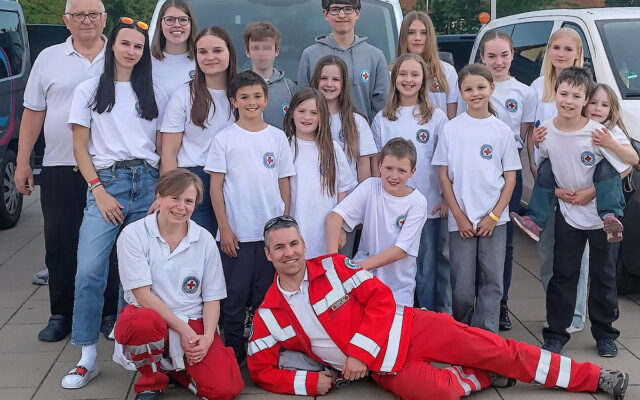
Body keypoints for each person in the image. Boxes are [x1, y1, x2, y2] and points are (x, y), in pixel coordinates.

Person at [246, 215, 629, 400]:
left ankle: (594, 378)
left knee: (501, 349)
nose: (289, 253)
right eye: (279, 247)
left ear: (303, 244)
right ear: (267, 254)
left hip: (411, 327)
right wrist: (310, 383)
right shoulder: (268, 314)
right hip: (385, 368)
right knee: (440, 394)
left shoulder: (332, 266)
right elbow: (260, 370)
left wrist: (360, 351)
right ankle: (483, 376)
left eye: (293, 244)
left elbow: (381, 300)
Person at [62, 17, 168, 389]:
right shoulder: (89, 90)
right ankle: (87, 355)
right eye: (125, 44)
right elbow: (79, 146)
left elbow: (162, 148)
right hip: (107, 183)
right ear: (113, 47)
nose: (131, 51)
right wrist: (98, 190)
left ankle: (128, 347)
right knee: (90, 269)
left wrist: (161, 193)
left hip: (148, 183)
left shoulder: (154, 92)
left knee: (136, 275)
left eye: (138, 46)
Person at [14, 0, 119, 343]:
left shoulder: (121, 55)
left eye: (93, 14)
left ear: (105, 19)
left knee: (111, 244)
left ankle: (108, 314)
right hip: (60, 165)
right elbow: (33, 113)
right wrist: (24, 160)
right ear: (66, 21)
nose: (86, 20)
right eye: (78, 15)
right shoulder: (49, 59)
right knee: (60, 241)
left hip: (109, 167)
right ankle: (62, 313)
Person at [514, 67, 630, 357]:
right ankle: (555, 334)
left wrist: (592, 189)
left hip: (602, 221)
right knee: (563, 275)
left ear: (585, 100)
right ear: (555, 95)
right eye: (563, 94)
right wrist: (557, 193)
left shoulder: (598, 133)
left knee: (603, 276)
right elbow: (545, 172)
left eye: (576, 96)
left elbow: (627, 163)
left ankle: (605, 334)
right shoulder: (547, 132)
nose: (568, 100)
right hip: (569, 215)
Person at [114, 169, 244, 400]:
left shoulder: (203, 239)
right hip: (152, 319)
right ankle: (150, 381)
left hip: (192, 320)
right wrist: (183, 331)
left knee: (226, 389)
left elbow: (212, 298)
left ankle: (176, 371)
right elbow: (143, 296)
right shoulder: (134, 234)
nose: (181, 207)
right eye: (174, 198)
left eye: (189, 201)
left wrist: (207, 338)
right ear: (159, 197)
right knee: (140, 321)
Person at [204, 70, 296, 366]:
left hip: (269, 239)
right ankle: (232, 354)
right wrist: (225, 229)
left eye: (257, 96)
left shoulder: (277, 137)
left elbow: (284, 183)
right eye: (244, 97)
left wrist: (284, 225)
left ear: (266, 99)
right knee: (233, 300)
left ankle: (264, 352)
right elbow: (215, 187)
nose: (251, 102)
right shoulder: (225, 139)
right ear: (233, 101)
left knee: (266, 299)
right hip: (238, 236)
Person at [432, 64, 521, 333]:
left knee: (492, 281)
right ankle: (463, 334)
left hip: (494, 220)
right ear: (460, 92)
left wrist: (494, 216)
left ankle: (486, 336)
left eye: (481, 87)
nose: (475, 93)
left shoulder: (501, 131)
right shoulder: (451, 129)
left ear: (491, 88)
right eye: (468, 89)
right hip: (462, 222)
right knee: (461, 285)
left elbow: (511, 179)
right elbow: (444, 176)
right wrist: (458, 216)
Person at [370, 53, 448, 311]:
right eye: (403, 74)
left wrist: (446, 198)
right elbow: (375, 164)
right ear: (394, 79)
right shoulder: (383, 118)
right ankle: (396, 318)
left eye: (415, 74)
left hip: (428, 207)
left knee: (426, 269)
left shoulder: (436, 117)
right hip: (391, 209)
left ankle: (426, 320)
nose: (408, 79)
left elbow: (445, 162)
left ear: (424, 80)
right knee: (395, 269)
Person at [513, 83, 639, 242]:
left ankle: (610, 216)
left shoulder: (610, 130)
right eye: (593, 103)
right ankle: (535, 221)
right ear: (585, 103)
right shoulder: (572, 125)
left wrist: (610, 143)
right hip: (570, 199)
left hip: (596, 200)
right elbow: (553, 150)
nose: (598, 108)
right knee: (545, 167)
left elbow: (633, 159)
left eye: (604, 105)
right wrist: (537, 141)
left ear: (611, 109)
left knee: (605, 166)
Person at [526, 27, 590, 334]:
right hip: (549, 184)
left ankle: (575, 316)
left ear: (578, 53)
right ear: (548, 51)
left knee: (577, 254)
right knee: (547, 252)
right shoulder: (537, 87)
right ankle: (556, 312)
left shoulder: (588, 88)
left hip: (577, 186)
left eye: (568, 49)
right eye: (556, 48)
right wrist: (536, 149)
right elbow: (531, 136)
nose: (561, 54)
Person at [477, 29, 536, 331]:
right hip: (476, 172)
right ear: (482, 57)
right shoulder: (473, 88)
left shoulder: (525, 93)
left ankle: (501, 304)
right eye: (491, 56)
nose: (498, 62)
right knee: (475, 237)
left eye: (503, 55)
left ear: (512, 56)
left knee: (505, 243)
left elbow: (524, 139)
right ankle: (477, 300)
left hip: (507, 173)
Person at [326, 138, 427, 307]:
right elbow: (334, 218)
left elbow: (400, 251)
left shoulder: (418, 202)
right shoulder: (370, 186)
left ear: (412, 171)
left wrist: (355, 267)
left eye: (401, 170)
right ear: (379, 166)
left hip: (398, 287)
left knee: (393, 332)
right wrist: (333, 265)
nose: (394, 176)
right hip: (363, 281)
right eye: (388, 168)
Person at [160, 26, 236, 235]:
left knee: (232, 251)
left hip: (234, 180)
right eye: (203, 52)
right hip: (194, 180)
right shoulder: (183, 95)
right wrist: (170, 195)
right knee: (198, 248)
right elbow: (169, 153)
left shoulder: (243, 93)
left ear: (230, 52)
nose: (210, 57)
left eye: (217, 51)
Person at [285, 88, 356, 258]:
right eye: (301, 111)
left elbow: (342, 191)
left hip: (325, 232)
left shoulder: (333, 149)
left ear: (322, 117)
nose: (307, 117)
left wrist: (340, 227)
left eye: (314, 113)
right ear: (292, 113)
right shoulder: (285, 147)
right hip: (295, 228)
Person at [297, 0, 389, 122]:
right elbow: (302, 102)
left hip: (360, 136)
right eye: (335, 9)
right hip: (319, 136)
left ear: (357, 13)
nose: (341, 15)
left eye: (348, 9)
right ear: (326, 14)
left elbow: (382, 108)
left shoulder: (375, 56)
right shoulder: (310, 55)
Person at [311, 55, 376, 184]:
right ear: (316, 81)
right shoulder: (306, 120)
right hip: (316, 200)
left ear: (343, 84)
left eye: (335, 79)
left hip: (350, 200)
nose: (329, 84)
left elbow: (363, 164)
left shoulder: (357, 121)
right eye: (323, 78)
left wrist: (362, 199)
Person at [396, 10, 459, 119]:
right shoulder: (392, 72)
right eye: (411, 32)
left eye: (423, 33)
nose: (418, 38)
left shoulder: (447, 71)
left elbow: (452, 119)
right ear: (403, 36)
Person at [243, 21, 296, 130]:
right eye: (255, 48)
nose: (261, 53)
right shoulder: (238, 86)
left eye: (267, 48)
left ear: (276, 51)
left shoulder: (289, 87)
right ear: (247, 52)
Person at [150, 0, 197, 96]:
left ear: (191, 24)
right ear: (161, 24)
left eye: (183, 20)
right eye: (170, 20)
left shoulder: (203, 61)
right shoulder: (146, 61)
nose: (176, 25)